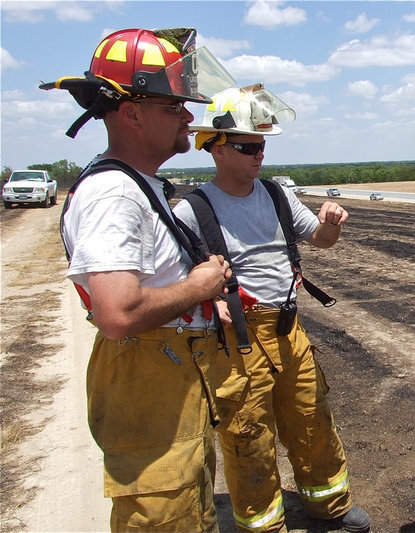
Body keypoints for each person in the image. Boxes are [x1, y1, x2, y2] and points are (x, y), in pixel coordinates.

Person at [40, 28, 237, 531]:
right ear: (131, 112)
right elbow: (117, 312)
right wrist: (198, 287)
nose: (189, 118)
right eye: (175, 108)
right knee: (163, 511)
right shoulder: (115, 194)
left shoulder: (137, 182)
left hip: (166, 372)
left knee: (188, 503)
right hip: (148, 375)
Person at [172, 85, 371, 533]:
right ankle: (261, 524)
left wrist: (331, 222)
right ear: (216, 148)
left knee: (311, 418)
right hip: (237, 340)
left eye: (262, 145)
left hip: (289, 329)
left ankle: (330, 505)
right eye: (248, 146)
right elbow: (176, 284)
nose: (259, 154)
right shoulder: (192, 211)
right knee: (248, 435)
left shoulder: (276, 195)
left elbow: (319, 239)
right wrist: (208, 301)